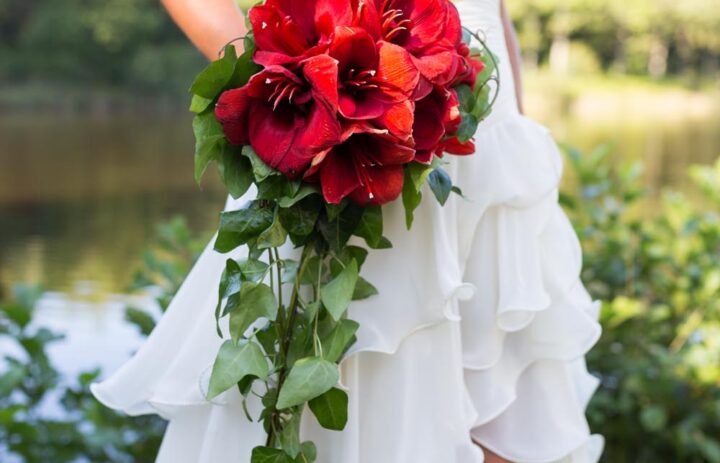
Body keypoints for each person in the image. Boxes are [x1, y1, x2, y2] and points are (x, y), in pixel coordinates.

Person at [92, 1, 605, 461]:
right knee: (350, 385)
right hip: (340, 111)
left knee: (512, 415)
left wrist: (519, 144)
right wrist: (281, 80)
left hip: (488, 137)